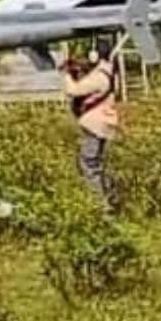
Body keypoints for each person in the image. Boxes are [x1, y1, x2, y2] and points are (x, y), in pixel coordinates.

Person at [64, 39, 119, 207]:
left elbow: (73, 90)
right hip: (102, 124)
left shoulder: (100, 77)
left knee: (89, 164)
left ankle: (100, 205)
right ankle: (110, 198)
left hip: (95, 125)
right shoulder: (108, 72)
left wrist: (67, 73)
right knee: (97, 163)